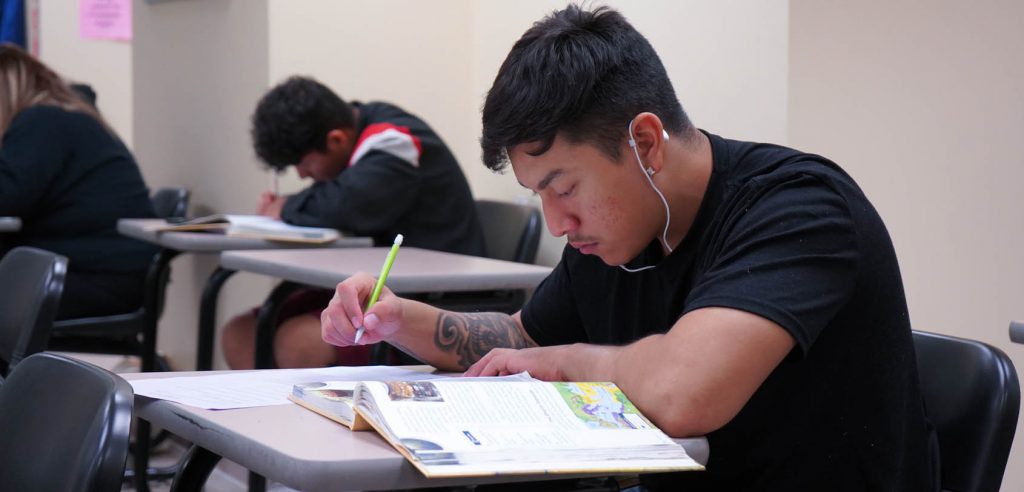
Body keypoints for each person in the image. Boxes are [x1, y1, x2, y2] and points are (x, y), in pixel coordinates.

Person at [319, 6, 939, 490]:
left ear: (644, 142)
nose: (557, 223)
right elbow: (522, 341)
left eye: (563, 188)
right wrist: (402, 320)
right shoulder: (617, 231)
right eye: (539, 195)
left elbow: (682, 391)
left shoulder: (798, 208)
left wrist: (564, 364)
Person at [220, 76, 486, 369]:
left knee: (299, 343)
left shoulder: (395, 142)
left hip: (434, 302)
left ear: (337, 139)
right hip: (373, 289)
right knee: (240, 333)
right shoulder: (363, 137)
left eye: (305, 165)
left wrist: (285, 206)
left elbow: (346, 204)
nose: (302, 176)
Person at [0, 43, 158, 320]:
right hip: (97, 271)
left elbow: (7, 197)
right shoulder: (62, 117)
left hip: (100, 279)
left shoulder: (44, 122)